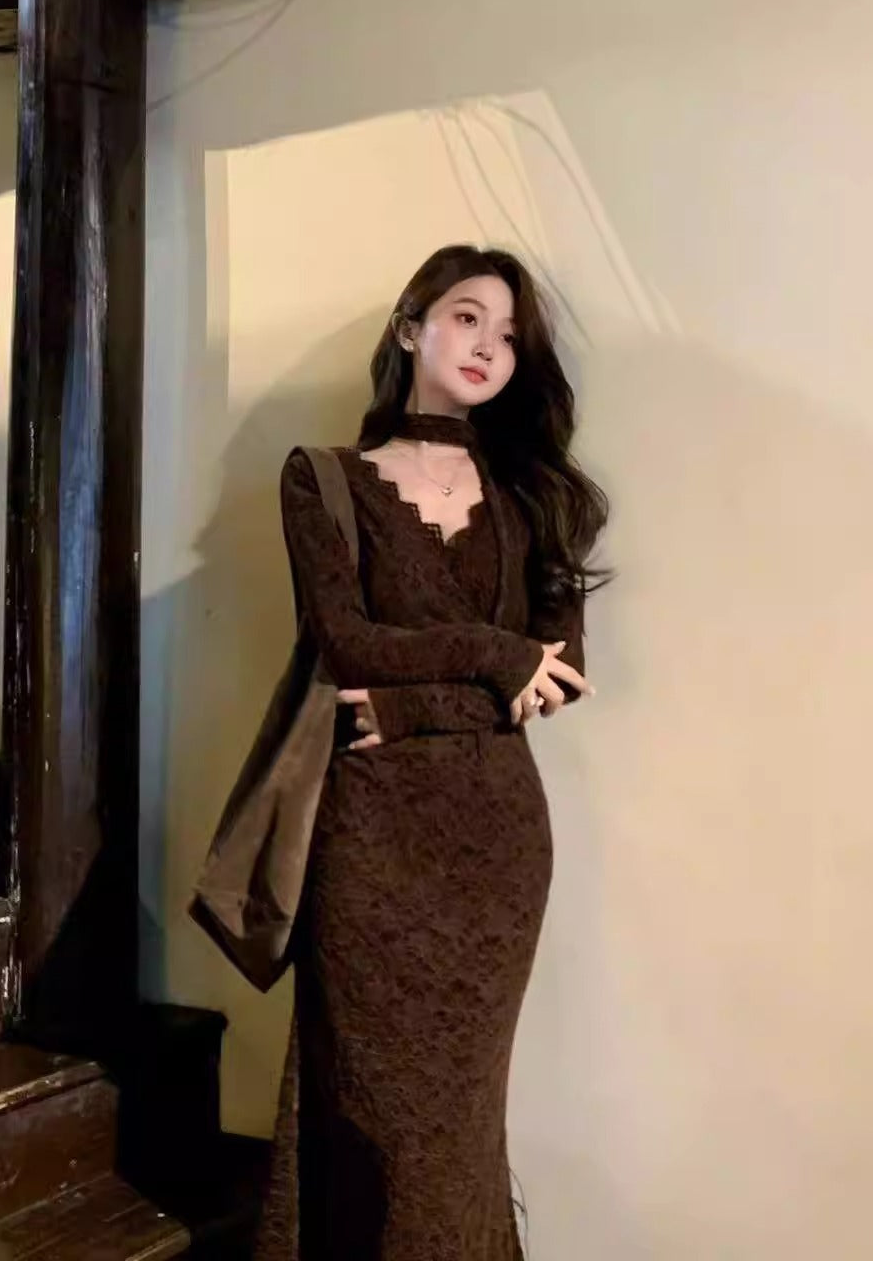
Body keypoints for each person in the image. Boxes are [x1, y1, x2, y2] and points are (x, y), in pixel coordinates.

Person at [253, 244, 609, 1261]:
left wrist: (410, 713)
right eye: (465, 317)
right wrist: (496, 654)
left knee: (457, 1125)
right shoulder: (322, 479)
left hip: (495, 846)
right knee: (370, 1105)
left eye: (509, 336)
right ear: (410, 328)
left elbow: (562, 676)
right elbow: (347, 644)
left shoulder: (533, 496)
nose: (488, 345)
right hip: (367, 840)